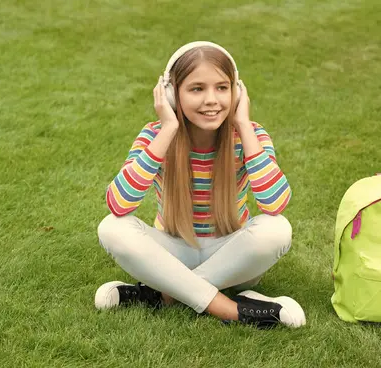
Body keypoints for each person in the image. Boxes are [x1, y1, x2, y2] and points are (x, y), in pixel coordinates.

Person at [94, 41, 306, 329]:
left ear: (237, 91)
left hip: (232, 256)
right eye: (197, 89)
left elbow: (275, 203)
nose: (212, 100)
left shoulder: (250, 134)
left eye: (222, 87)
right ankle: (234, 309)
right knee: (112, 227)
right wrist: (168, 128)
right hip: (173, 249)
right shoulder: (155, 135)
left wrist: (243, 125)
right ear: (171, 94)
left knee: (278, 228)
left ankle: (162, 295)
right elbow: (119, 204)